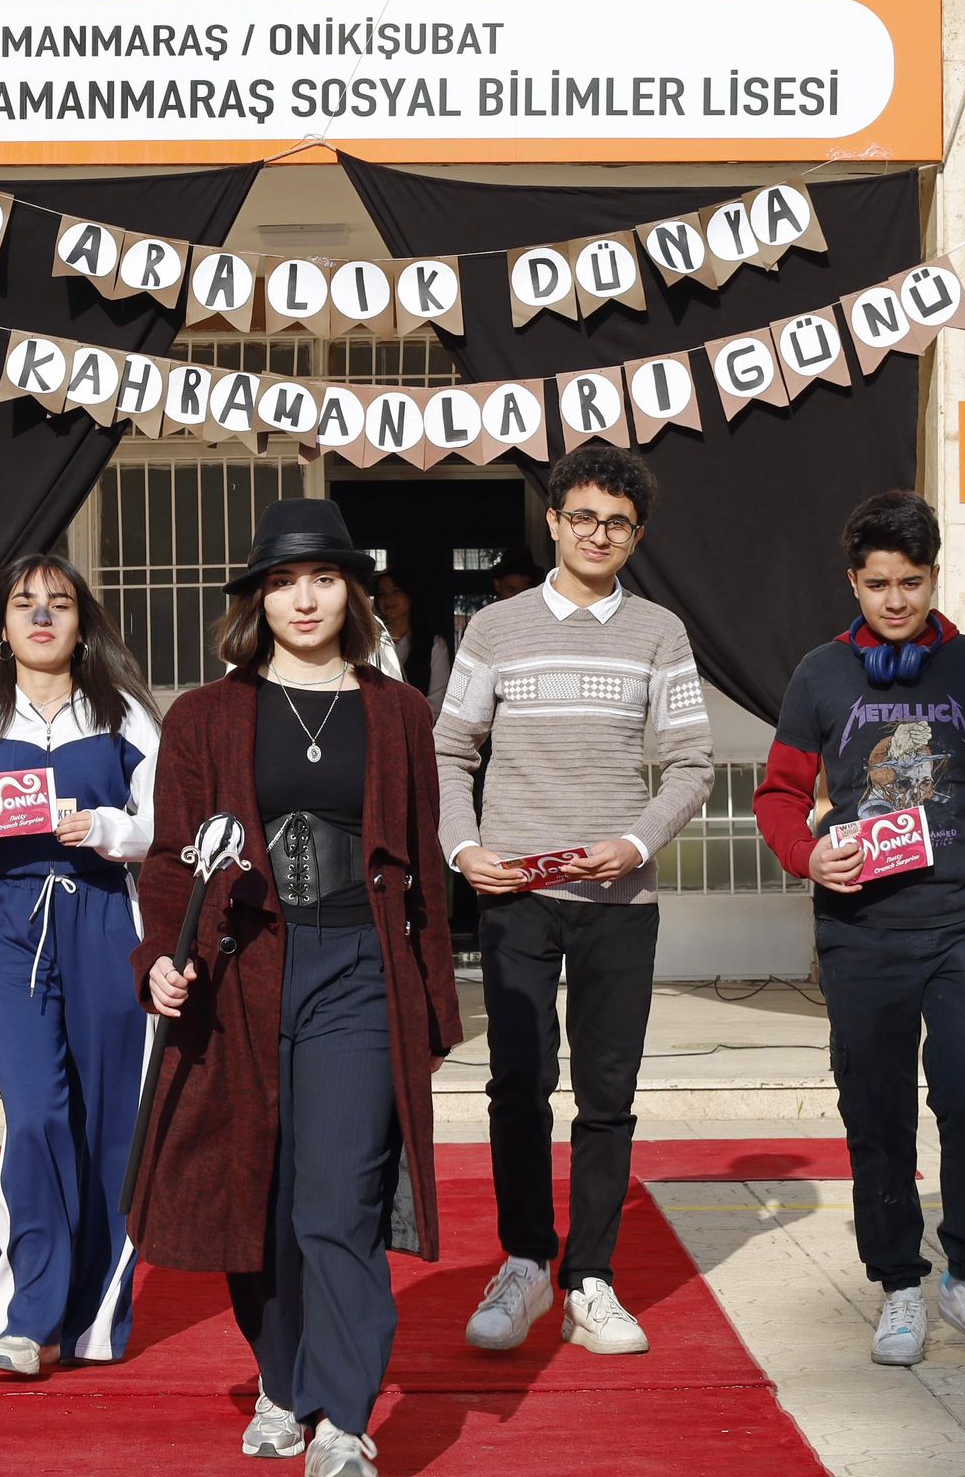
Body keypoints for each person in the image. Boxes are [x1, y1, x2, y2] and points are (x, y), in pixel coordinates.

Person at [124, 498, 462, 1477]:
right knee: (258, 1199)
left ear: (352, 591)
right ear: (257, 600)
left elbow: (424, 869)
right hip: (242, 975)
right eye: (281, 582)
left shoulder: (399, 712)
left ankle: (346, 1421)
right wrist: (157, 960)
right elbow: (170, 859)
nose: (303, 599)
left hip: (359, 970)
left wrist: (434, 1005)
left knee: (337, 1199)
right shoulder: (204, 715)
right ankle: (284, 1380)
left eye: (322, 579)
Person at [752, 490, 965, 1373]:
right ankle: (899, 1282)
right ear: (853, 582)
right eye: (878, 584)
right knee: (876, 1113)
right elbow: (778, 795)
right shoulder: (821, 674)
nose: (895, 601)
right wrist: (807, 856)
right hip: (860, 933)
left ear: (934, 576)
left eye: (912, 582)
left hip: (961, 924)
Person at [437, 447, 715, 1358]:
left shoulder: (660, 633)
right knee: (518, 1086)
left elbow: (691, 764)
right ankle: (525, 1261)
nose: (599, 535)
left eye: (618, 524)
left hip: (618, 899)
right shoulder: (495, 630)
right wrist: (462, 849)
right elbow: (450, 751)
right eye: (584, 517)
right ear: (554, 520)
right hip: (517, 896)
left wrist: (637, 842)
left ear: (638, 536)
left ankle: (590, 1279)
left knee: (607, 1095)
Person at [0, 555, 162, 1376]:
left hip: (107, 919)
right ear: (1, 626)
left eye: (59, 603)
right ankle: (26, 1318)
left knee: (112, 1121)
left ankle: (96, 1318)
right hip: (12, 926)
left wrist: (108, 828)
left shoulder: (123, 714)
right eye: (25, 604)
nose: (42, 616)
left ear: (83, 622)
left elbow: (168, 822)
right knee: (34, 1114)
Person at [373, 566, 452, 720]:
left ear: (410, 596)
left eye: (396, 591)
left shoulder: (434, 644)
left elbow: (436, 702)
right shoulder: (372, 643)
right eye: (382, 594)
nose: (388, 599)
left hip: (419, 726)